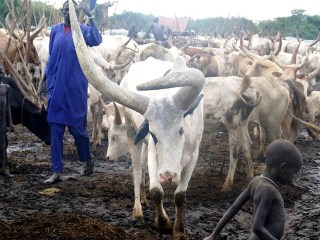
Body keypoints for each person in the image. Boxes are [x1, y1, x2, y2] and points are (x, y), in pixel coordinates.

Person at [44, 0, 102, 184]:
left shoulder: (82, 31)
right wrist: (45, 81)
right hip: (56, 88)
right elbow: (52, 57)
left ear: (77, 12)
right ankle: (56, 171)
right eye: (64, 10)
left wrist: (91, 16)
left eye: (71, 10)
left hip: (75, 89)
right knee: (55, 130)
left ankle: (87, 158)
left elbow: (97, 39)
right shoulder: (55, 30)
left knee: (78, 130)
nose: (67, 13)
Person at [203, 139, 303, 240]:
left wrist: (213, 235)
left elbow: (234, 208)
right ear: (283, 167)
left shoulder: (256, 181)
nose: (293, 177)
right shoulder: (269, 190)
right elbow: (257, 227)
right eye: (294, 172)